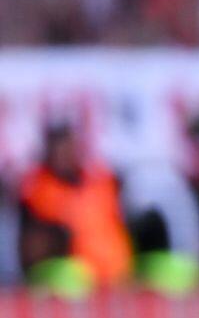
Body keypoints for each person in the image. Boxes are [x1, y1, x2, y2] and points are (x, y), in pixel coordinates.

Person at [17, 121, 133, 291]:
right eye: (59, 149)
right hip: (72, 282)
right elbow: (35, 245)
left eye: (69, 148)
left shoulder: (102, 183)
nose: (65, 155)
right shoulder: (39, 189)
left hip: (116, 276)